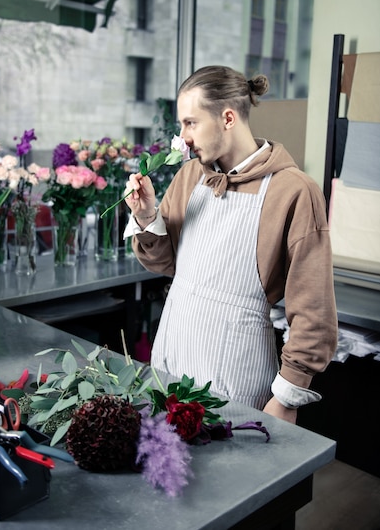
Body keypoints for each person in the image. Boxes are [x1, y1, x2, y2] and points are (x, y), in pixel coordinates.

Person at [124, 65, 338, 424]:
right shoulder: (190, 175)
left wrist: (286, 396)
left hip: (237, 381)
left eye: (190, 123)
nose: (184, 137)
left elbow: (314, 313)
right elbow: (168, 264)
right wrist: (147, 217)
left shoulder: (294, 191)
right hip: (171, 365)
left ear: (227, 117)